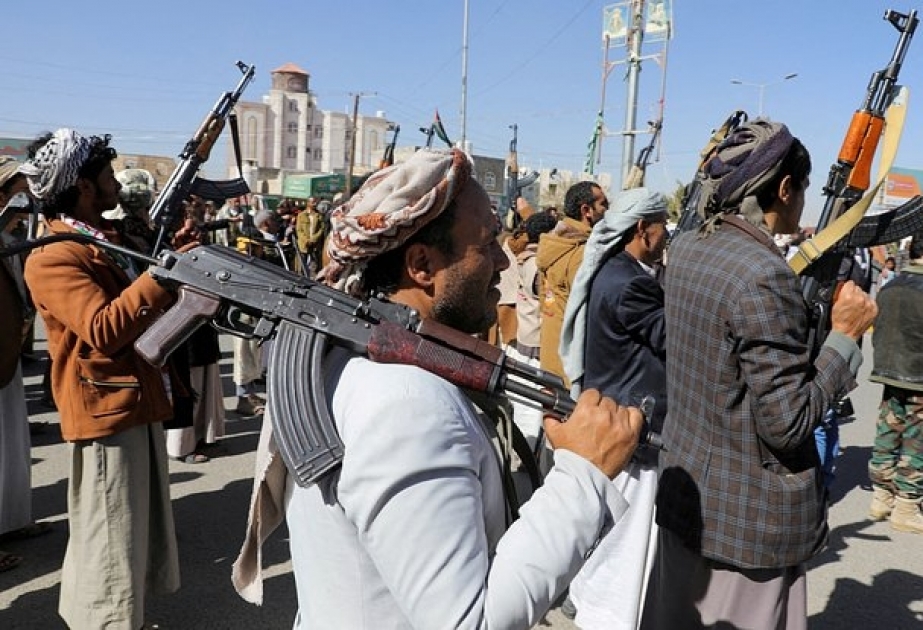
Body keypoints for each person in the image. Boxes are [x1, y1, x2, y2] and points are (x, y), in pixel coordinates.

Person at [232, 148, 645, 629]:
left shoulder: (352, 354)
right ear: (422, 264)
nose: (503, 261)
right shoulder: (407, 405)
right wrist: (583, 476)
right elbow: (470, 621)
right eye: (487, 243)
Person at [641, 121, 877, 630]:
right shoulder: (763, 273)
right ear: (785, 189)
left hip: (691, 504)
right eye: (804, 190)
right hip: (747, 525)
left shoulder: (688, 248)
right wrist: (843, 337)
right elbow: (788, 424)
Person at [20, 128, 182, 629]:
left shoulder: (96, 241)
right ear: (84, 187)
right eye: (107, 176)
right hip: (105, 412)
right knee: (108, 542)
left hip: (131, 402)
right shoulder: (53, 256)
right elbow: (103, 329)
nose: (115, 183)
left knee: (128, 538)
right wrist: (160, 276)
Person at [560, 187, 669, 629]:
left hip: (615, 419)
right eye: (664, 228)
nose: (668, 237)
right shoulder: (631, 284)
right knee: (624, 553)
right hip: (630, 432)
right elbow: (673, 339)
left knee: (608, 543)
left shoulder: (619, 272)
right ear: (643, 230)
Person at [0, 156, 51, 573]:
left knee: (11, 442)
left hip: (8, 355)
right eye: (13, 190)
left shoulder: (11, 237)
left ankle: (11, 520)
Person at [867, 234, 923, 533]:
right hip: (919, 377)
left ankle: (881, 497)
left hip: (888, 371)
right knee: (917, 443)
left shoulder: (891, 285)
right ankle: (907, 506)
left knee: (887, 433)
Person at [537, 181, 609, 385]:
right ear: (586, 210)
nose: (607, 212)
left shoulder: (555, 243)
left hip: (552, 351)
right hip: (572, 363)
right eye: (603, 205)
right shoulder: (583, 252)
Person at [295, 196, 325, 274]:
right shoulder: (301, 215)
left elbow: (321, 229)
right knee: (302, 265)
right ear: (308, 203)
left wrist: (314, 239)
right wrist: (306, 240)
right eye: (313, 202)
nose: (315, 204)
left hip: (315, 244)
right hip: (304, 244)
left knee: (315, 265)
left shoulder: (319, 215)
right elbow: (299, 230)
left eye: (316, 202)